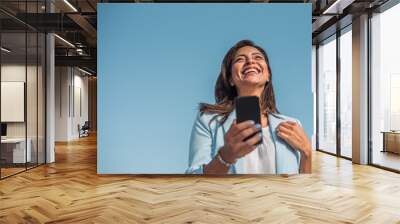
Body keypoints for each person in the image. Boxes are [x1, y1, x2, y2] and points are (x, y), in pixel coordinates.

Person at [186, 40, 312, 175]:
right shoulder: (208, 121)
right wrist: (226, 156)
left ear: (268, 75)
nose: (251, 62)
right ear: (230, 79)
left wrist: (307, 153)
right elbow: (194, 179)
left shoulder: (292, 125)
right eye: (240, 59)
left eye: (258, 57)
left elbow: (304, 186)